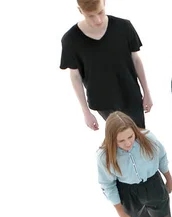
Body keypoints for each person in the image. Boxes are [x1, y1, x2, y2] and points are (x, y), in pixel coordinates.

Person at [60, 0, 152, 130]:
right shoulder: (70, 40)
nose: (97, 20)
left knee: (139, 136)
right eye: (90, 16)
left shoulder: (124, 27)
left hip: (131, 95)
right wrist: (86, 112)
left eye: (100, 12)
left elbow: (136, 60)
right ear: (80, 11)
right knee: (120, 139)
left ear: (104, 3)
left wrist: (147, 93)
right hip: (102, 101)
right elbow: (75, 76)